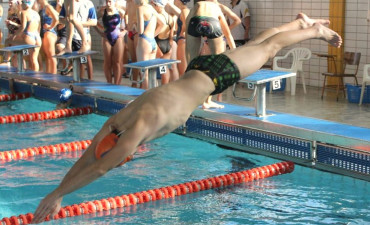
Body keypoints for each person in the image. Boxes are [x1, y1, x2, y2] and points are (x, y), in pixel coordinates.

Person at [31, 13, 341, 223]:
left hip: (213, 78)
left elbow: (98, 167)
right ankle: (299, 22)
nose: (125, 159)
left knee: (267, 48)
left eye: (121, 156)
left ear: (119, 148)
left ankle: (315, 31)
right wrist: (56, 191)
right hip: (198, 69)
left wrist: (59, 194)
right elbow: (90, 154)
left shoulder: (135, 131)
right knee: (260, 44)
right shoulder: (115, 123)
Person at [185, 0, 236, 109]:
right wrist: (235, 54)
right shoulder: (215, 7)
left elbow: (187, 37)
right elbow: (227, 34)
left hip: (195, 22)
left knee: (192, 65)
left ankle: (192, 99)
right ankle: (208, 101)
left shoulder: (195, 7)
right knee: (217, 66)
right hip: (212, 22)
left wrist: (189, 63)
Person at [135, 0, 165, 89]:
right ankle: (153, 97)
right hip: (152, 42)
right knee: (152, 74)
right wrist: (153, 35)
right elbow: (162, 23)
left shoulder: (140, 9)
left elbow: (140, 30)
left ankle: (146, 98)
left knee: (144, 74)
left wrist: (134, 26)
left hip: (144, 42)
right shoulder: (151, 8)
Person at [95, 0, 126, 84]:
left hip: (118, 38)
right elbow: (93, 21)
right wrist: (100, 31)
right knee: (107, 61)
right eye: (106, 2)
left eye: (109, 2)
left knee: (117, 62)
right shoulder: (102, 11)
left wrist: (124, 31)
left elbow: (128, 24)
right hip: (106, 38)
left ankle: (117, 84)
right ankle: (109, 82)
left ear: (114, 2)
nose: (108, 4)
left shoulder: (120, 11)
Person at [13, 0, 42, 71]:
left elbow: (23, 27)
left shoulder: (24, 12)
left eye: (22, 2)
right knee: (34, 59)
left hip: (28, 37)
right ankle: (35, 78)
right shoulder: (36, 13)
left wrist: (15, 36)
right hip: (37, 37)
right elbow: (39, 27)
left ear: (25, 4)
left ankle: (6, 61)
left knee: (10, 42)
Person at [38, 0, 59, 74]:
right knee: (47, 57)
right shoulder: (42, 7)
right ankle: (48, 75)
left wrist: (50, 27)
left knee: (51, 56)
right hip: (44, 33)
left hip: (49, 33)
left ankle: (54, 77)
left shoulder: (48, 7)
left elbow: (57, 18)